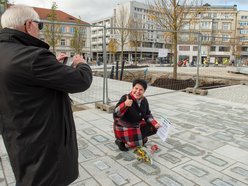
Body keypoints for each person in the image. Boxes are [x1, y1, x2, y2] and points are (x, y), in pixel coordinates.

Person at [0, 5, 92, 186]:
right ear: (28, 25)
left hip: (18, 136)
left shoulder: (7, 53)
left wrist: (51, 67)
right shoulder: (33, 57)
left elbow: (23, 79)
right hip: (44, 145)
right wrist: (81, 64)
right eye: (39, 25)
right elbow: (81, 81)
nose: (40, 31)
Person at [113, 79, 160, 151]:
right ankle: (120, 141)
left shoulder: (144, 100)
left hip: (136, 124)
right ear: (132, 88)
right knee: (137, 141)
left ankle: (138, 138)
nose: (138, 91)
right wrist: (125, 104)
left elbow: (147, 115)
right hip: (124, 126)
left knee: (152, 128)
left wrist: (155, 123)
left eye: (141, 90)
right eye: (136, 88)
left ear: (144, 91)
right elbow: (115, 114)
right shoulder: (126, 98)